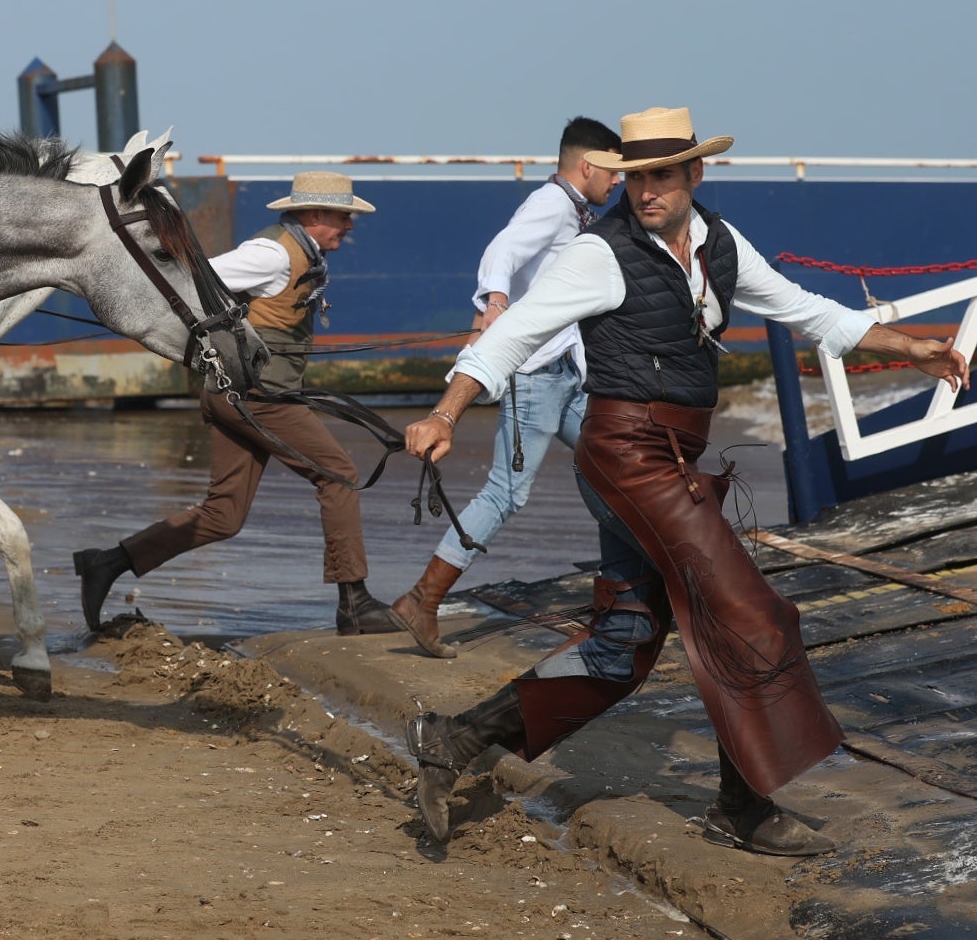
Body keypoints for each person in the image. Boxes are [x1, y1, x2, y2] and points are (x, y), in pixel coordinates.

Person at [400, 107, 969, 856]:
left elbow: (806, 311)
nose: (646, 192)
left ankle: (454, 739)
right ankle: (743, 805)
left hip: (671, 460)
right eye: (636, 177)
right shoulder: (600, 253)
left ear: (695, 173)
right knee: (752, 614)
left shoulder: (720, 244)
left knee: (623, 645)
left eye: (662, 175)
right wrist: (446, 410)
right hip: (626, 456)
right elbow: (514, 332)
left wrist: (910, 347)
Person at [75, 171, 400, 636]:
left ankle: (106, 563)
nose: (350, 225)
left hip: (239, 395)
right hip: (257, 398)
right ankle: (354, 601)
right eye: (344, 216)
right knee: (339, 474)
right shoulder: (270, 254)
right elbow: (194, 281)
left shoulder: (301, 252)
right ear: (313, 215)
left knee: (223, 516)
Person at [391, 117, 622, 658]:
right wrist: (495, 302)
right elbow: (502, 250)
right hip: (536, 377)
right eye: (612, 171)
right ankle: (422, 601)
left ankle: (622, 602)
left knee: (615, 466)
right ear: (586, 165)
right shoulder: (551, 205)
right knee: (506, 492)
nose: (617, 183)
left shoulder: (576, 211)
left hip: (569, 371)